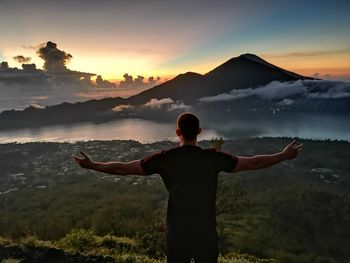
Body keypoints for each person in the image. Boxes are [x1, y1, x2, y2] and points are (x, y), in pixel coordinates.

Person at [73, 112, 303, 263]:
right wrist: (283, 156)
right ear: (199, 132)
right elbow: (254, 162)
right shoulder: (213, 158)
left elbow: (123, 168)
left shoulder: (165, 158)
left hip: (177, 234)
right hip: (205, 233)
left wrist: (93, 165)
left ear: (177, 133)